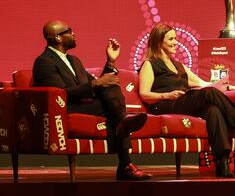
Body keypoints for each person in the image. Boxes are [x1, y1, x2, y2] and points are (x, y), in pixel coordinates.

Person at [138, 23, 235, 178]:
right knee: (209, 93)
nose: (175, 42)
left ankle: (222, 165)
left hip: (181, 103)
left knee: (213, 111)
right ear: (159, 42)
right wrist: (167, 95)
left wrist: (231, 87)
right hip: (164, 105)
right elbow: (144, 94)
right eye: (171, 39)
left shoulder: (178, 66)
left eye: (175, 38)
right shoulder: (150, 64)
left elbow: (204, 84)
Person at [32, 20, 151, 180]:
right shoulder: (44, 62)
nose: (73, 33)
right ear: (58, 38)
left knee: (110, 86)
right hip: (68, 108)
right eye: (69, 31)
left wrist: (110, 62)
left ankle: (123, 128)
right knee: (115, 111)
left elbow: (97, 84)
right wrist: (96, 84)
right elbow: (60, 94)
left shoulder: (74, 60)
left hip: (86, 105)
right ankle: (125, 159)